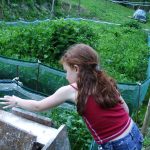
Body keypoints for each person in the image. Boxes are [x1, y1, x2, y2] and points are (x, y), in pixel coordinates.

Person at [0, 44, 143, 150]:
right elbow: (125, 110)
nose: (66, 76)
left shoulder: (72, 90)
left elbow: (39, 106)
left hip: (117, 145)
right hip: (133, 133)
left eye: (66, 71)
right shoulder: (106, 81)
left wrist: (16, 101)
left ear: (76, 68)